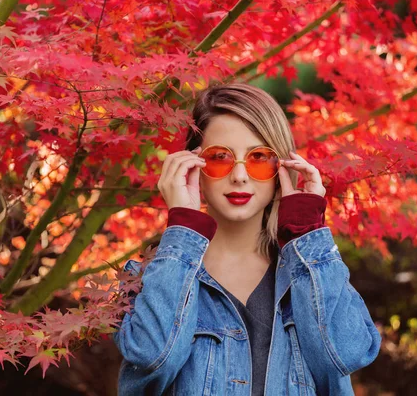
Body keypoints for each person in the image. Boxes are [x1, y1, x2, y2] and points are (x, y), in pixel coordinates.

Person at [113, 83, 381, 395]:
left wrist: (307, 233)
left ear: (282, 166)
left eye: (258, 158)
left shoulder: (312, 275)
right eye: (220, 157)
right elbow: (154, 357)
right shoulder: (150, 280)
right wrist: (183, 228)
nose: (239, 175)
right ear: (192, 163)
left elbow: (347, 354)